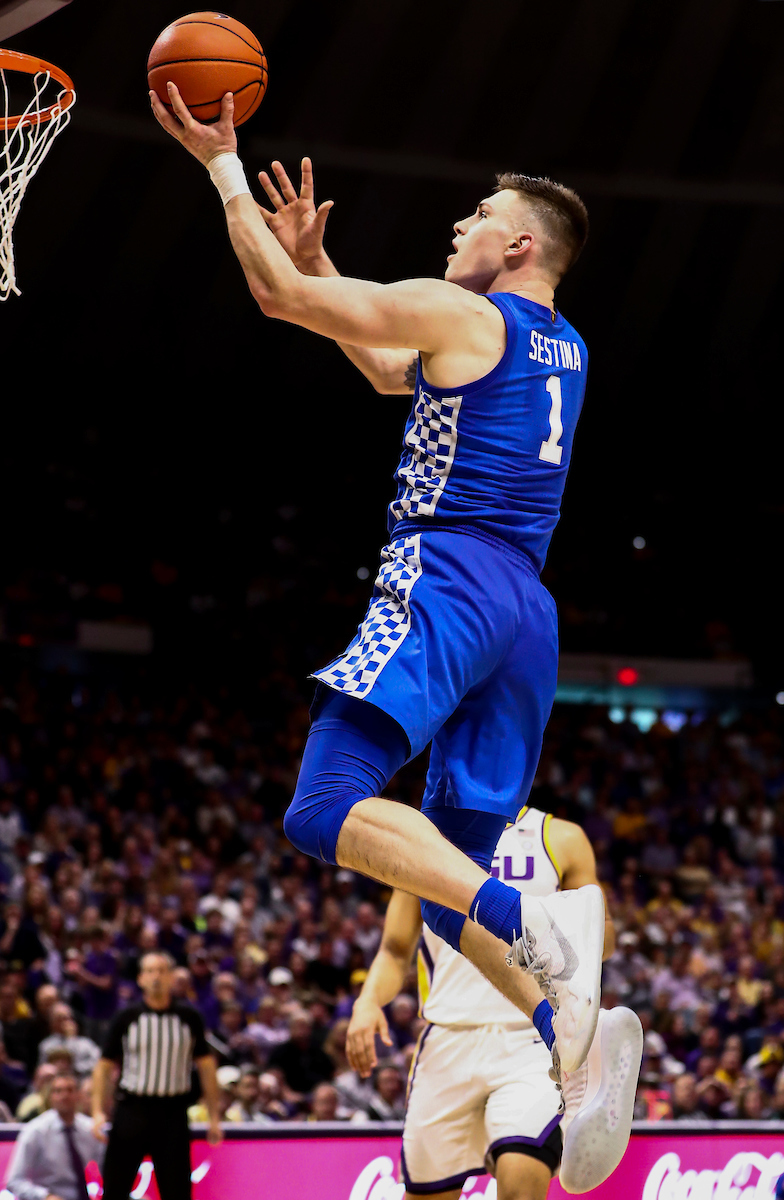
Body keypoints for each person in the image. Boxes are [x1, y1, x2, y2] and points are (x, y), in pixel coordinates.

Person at [150, 87, 602, 1076]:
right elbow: (398, 373)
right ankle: (561, 1024)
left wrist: (222, 167)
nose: (459, 224)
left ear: (521, 247)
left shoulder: (463, 310)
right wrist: (325, 266)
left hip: (448, 575)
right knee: (440, 871)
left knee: (324, 807)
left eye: (480, 216)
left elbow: (276, 301)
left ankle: (524, 917)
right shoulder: (563, 349)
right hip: (525, 613)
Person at [347, 809, 641, 1198]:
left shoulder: (559, 838)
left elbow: (603, 943)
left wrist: (579, 925)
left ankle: (581, 1086)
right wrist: (367, 1003)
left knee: (522, 1177)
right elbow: (394, 948)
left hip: (533, 1037)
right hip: (448, 1036)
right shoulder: (424, 834)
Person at [91, 951, 222, 1200]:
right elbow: (104, 1067)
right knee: (116, 1188)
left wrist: (214, 1116)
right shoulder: (126, 1018)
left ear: (172, 977)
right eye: (150, 971)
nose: (156, 977)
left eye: (162, 971)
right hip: (132, 1109)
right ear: (140, 978)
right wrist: (98, 1110)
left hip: (172, 1113)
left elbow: (206, 1068)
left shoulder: (189, 1018)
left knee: (177, 1191)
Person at [5, 1071, 105, 1200]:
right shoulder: (35, 1131)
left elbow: (106, 1168)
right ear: (50, 1097)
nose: (64, 1096)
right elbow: (14, 1181)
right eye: (58, 1091)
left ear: (78, 1095)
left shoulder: (90, 1129)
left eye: (70, 1090)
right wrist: (45, 1196)